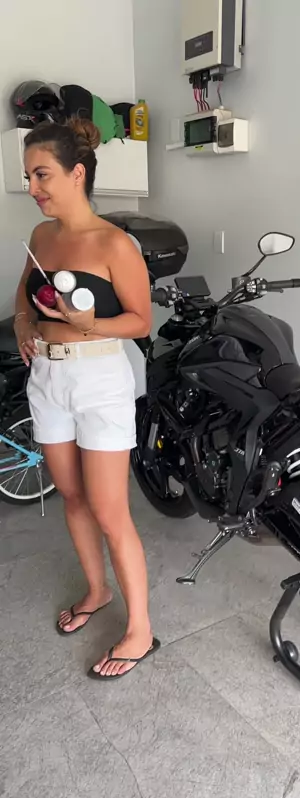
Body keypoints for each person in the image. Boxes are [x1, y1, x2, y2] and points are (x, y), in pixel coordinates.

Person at [13, 117, 159, 680]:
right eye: (29, 176)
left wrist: (88, 324)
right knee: (72, 496)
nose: (33, 187)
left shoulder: (113, 244)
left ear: (77, 174)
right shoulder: (42, 236)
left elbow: (141, 321)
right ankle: (97, 591)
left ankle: (140, 629)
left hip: (98, 381)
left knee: (109, 509)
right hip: (47, 380)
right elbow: (25, 292)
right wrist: (25, 323)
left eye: (42, 174)